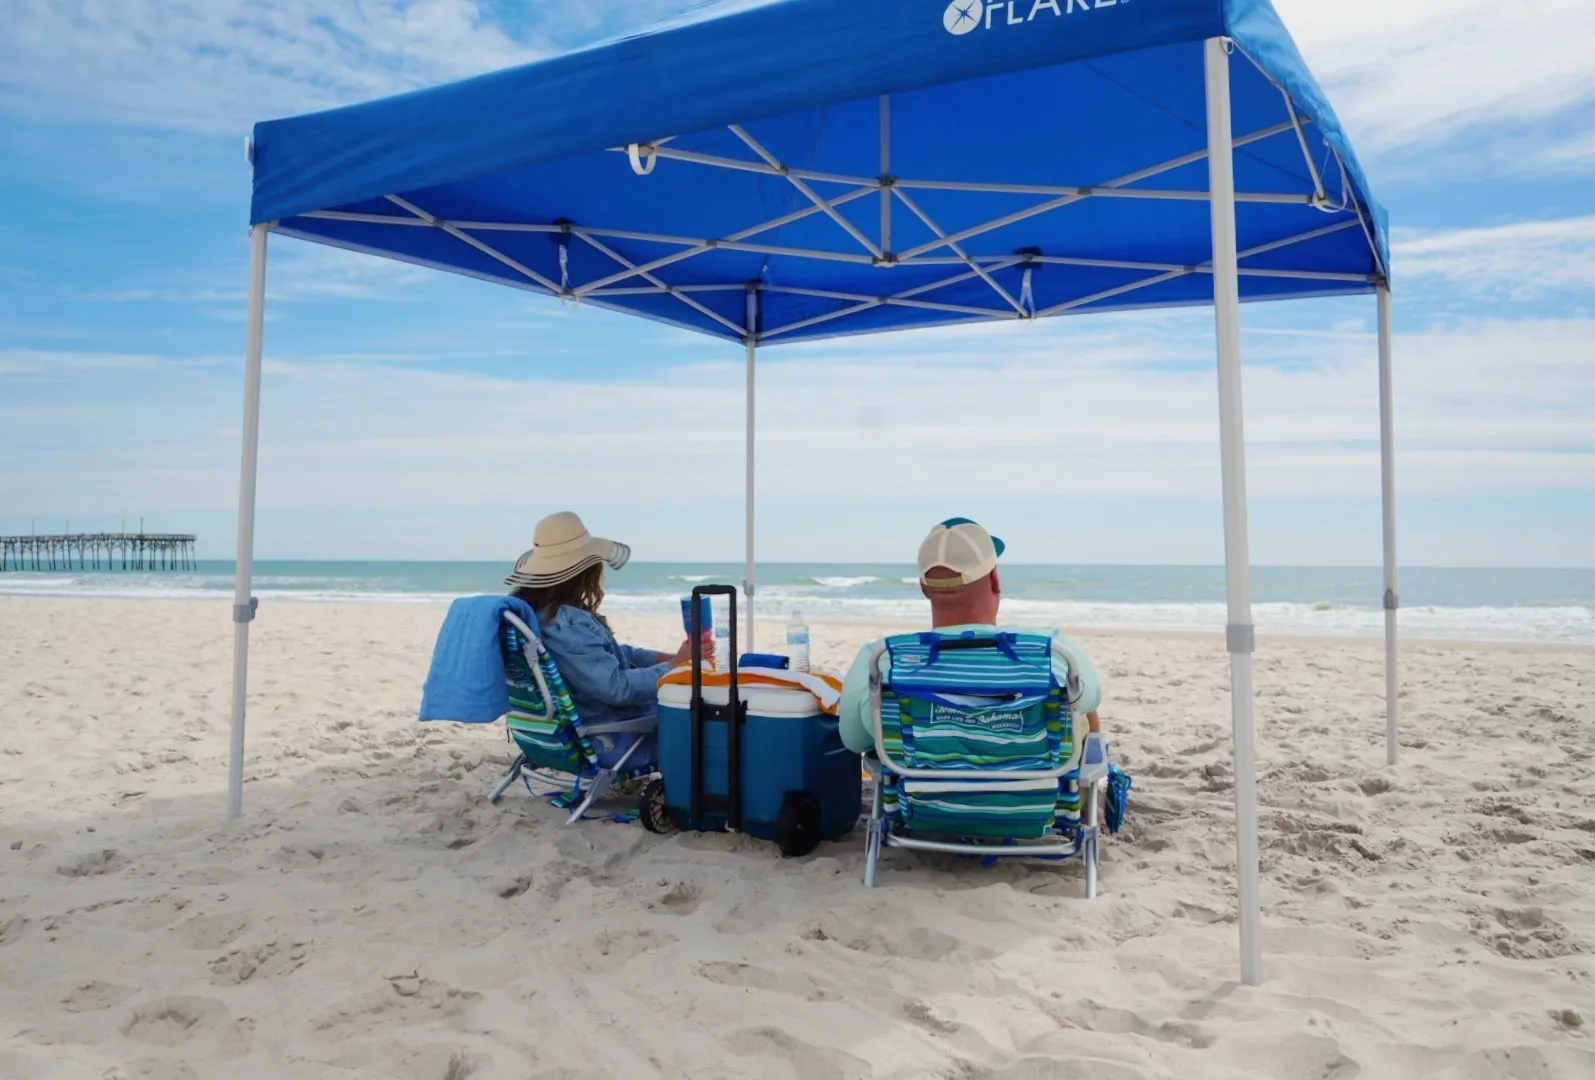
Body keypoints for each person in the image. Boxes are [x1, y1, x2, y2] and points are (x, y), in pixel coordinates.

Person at [837, 518, 1103, 756]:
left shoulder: (884, 658)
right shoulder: (1053, 652)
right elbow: (1091, 699)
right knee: (1076, 705)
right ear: (995, 580)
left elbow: (854, 739)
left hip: (921, 796)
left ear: (924, 588)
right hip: (1038, 794)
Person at [506, 512, 703, 742]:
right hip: (610, 735)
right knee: (700, 715)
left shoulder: (536, 614)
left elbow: (598, 656)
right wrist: (674, 666)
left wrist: (662, 659)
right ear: (587, 570)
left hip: (568, 730)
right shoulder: (567, 625)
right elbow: (618, 689)